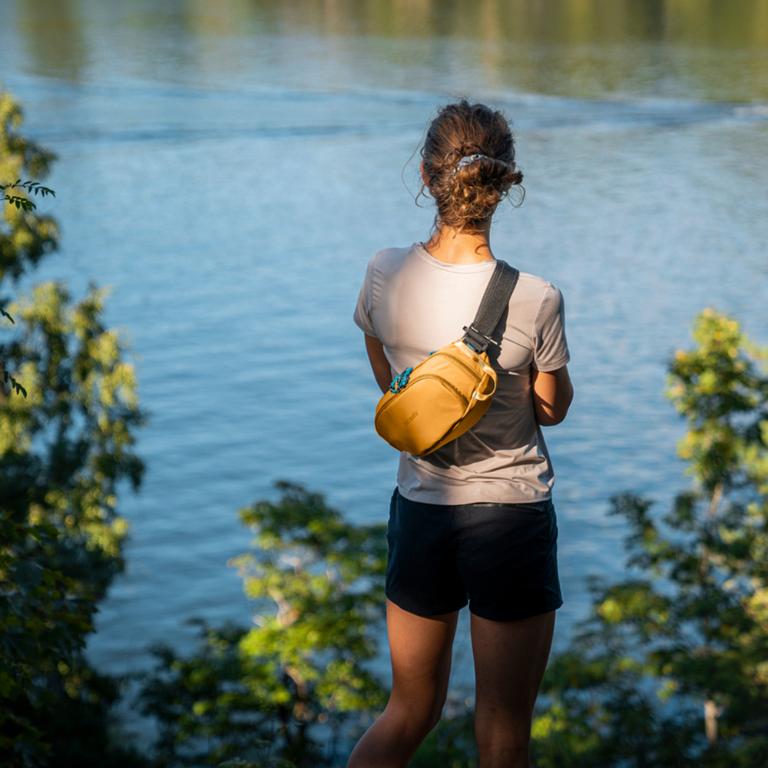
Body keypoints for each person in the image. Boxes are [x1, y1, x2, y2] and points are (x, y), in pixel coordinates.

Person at [347, 99, 574, 768]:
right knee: (504, 732)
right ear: (505, 184)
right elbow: (553, 410)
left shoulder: (386, 271)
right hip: (510, 517)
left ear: (425, 177)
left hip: (422, 512)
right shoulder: (534, 296)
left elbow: (390, 382)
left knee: (407, 710)